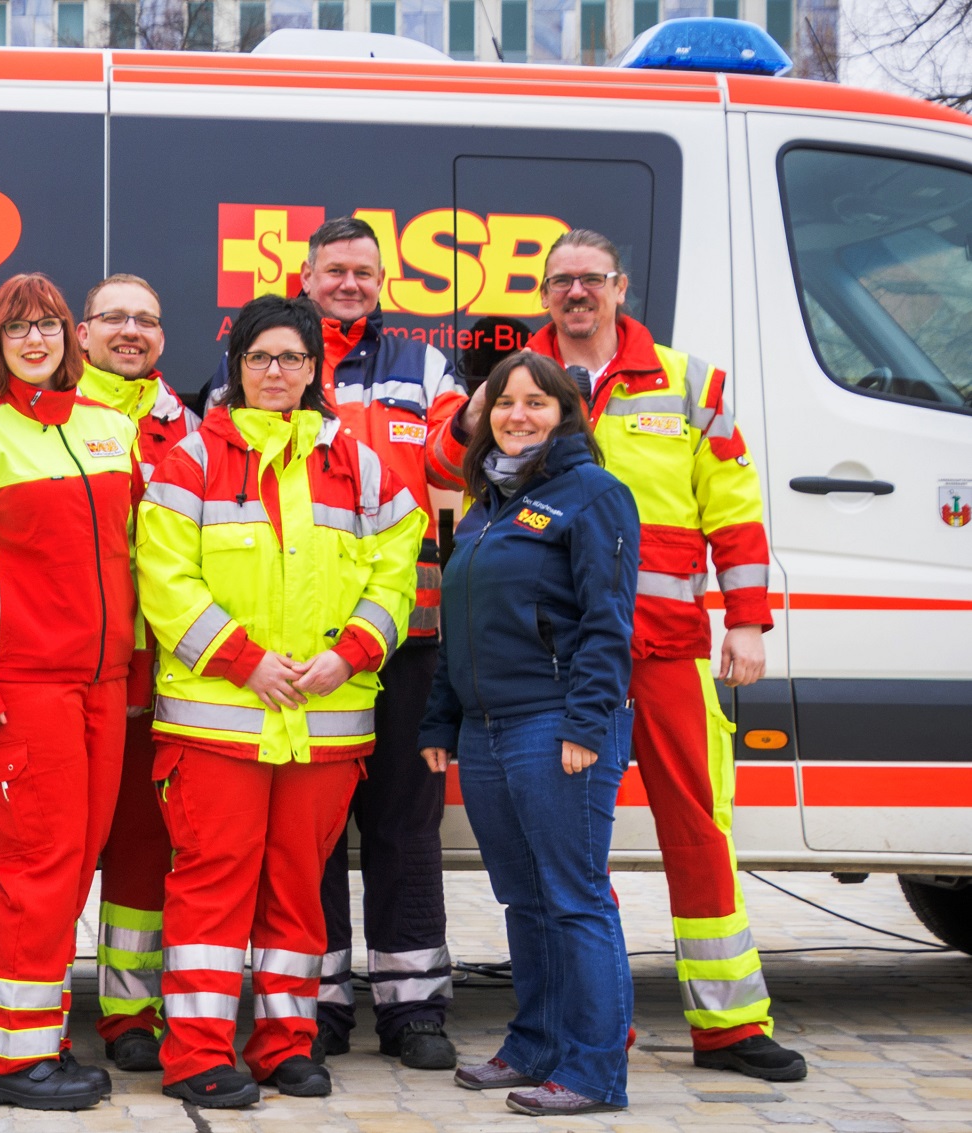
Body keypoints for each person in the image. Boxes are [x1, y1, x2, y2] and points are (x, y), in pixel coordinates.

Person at [439, 229, 807, 1082]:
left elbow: (734, 507)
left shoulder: (687, 381)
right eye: (561, 281)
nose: (577, 293)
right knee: (565, 852)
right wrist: (474, 410)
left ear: (619, 286)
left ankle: (729, 1022)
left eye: (591, 279)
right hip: (554, 663)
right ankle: (589, 1020)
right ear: (542, 292)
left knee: (698, 825)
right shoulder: (514, 383)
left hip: (664, 649)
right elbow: (448, 465)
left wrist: (747, 621)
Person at [138, 295, 426, 1108]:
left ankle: (284, 1046)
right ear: (236, 367)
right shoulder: (191, 459)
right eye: (261, 358)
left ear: (313, 369)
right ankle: (196, 1053)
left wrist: (351, 653)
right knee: (212, 887)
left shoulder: (360, 463)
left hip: (325, 728)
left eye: (292, 359)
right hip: (217, 725)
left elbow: (397, 566)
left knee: (298, 887)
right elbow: (165, 582)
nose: (276, 372)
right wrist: (245, 662)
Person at [224, 217, 466, 1069]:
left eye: (365, 271)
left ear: (382, 279)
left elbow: (448, 456)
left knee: (405, 824)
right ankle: (314, 1005)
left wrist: (467, 427)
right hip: (298, 648)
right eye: (336, 270)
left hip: (406, 633)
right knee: (308, 832)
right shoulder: (267, 356)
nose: (350, 283)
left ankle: (413, 1011)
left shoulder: (424, 366)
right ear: (308, 274)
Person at [0, 273, 138, 1112]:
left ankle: (38, 1041)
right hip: (22, 688)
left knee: (74, 864)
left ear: (70, 338)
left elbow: (134, 554)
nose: (37, 341)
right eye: (19, 330)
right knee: (38, 868)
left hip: (106, 684)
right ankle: (4, 1065)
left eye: (49, 325)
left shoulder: (111, 429)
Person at [419, 350, 640, 1117]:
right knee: (523, 898)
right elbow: (462, 624)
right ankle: (534, 1045)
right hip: (485, 729)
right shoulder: (487, 504)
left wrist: (586, 722)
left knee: (575, 899)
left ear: (566, 413)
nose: (517, 415)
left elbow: (610, 622)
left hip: (556, 726)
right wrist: (441, 717)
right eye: (504, 402)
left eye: (536, 403)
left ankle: (592, 1071)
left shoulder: (594, 494)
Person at [75, 273, 199, 1074]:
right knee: (55, 850)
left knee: (140, 855)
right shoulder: (52, 412)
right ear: (81, 332)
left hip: (159, 679)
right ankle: (33, 1011)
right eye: (113, 317)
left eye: (146, 320)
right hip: (73, 671)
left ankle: (128, 1012)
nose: (130, 331)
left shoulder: (193, 430)